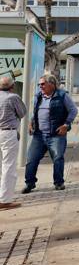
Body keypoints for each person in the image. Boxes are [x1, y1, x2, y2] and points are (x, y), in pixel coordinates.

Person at [22, 72, 77, 193]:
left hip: (56, 135)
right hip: (39, 135)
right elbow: (36, 112)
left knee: (58, 158)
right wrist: (31, 123)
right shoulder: (38, 96)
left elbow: (73, 110)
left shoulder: (62, 96)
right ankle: (29, 183)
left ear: (52, 84)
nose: (40, 86)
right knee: (31, 159)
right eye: (39, 84)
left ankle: (59, 183)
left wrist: (66, 125)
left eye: (42, 84)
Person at [0, 76, 27, 210]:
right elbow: (22, 113)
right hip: (7, 133)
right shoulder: (13, 97)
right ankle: (5, 200)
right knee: (8, 166)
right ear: (12, 86)